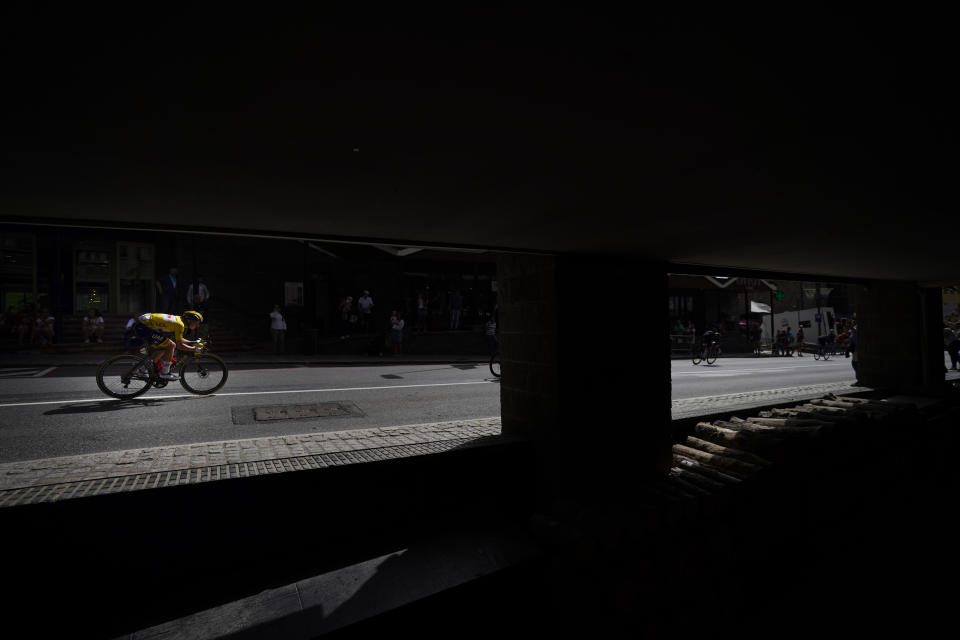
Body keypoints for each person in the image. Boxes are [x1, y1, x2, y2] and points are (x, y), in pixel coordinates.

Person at [125, 310, 205, 380]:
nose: (197, 325)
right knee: (171, 345)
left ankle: (142, 370)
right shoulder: (180, 325)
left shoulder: (179, 321)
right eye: (197, 323)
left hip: (142, 325)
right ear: (189, 320)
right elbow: (179, 345)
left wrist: (192, 342)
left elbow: (179, 340)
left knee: (164, 347)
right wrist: (195, 349)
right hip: (143, 327)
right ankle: (165, 373)